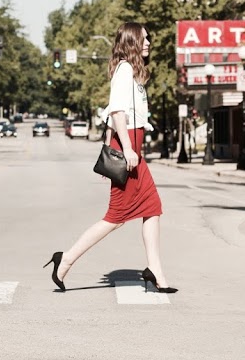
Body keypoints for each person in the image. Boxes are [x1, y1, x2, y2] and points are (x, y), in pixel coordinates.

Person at [44, 22, 177, 293]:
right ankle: (66, 259)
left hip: (132, 146)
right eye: (144, 38)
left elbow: (111, 116)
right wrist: (125, 149)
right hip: (128, 145)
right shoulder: (125, 70)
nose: (149, 42)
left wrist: (116, 149)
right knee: (115, 217)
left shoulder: (133, 72)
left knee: (152, 207)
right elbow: (117, 113)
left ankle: (156, 269)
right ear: (131, 41)